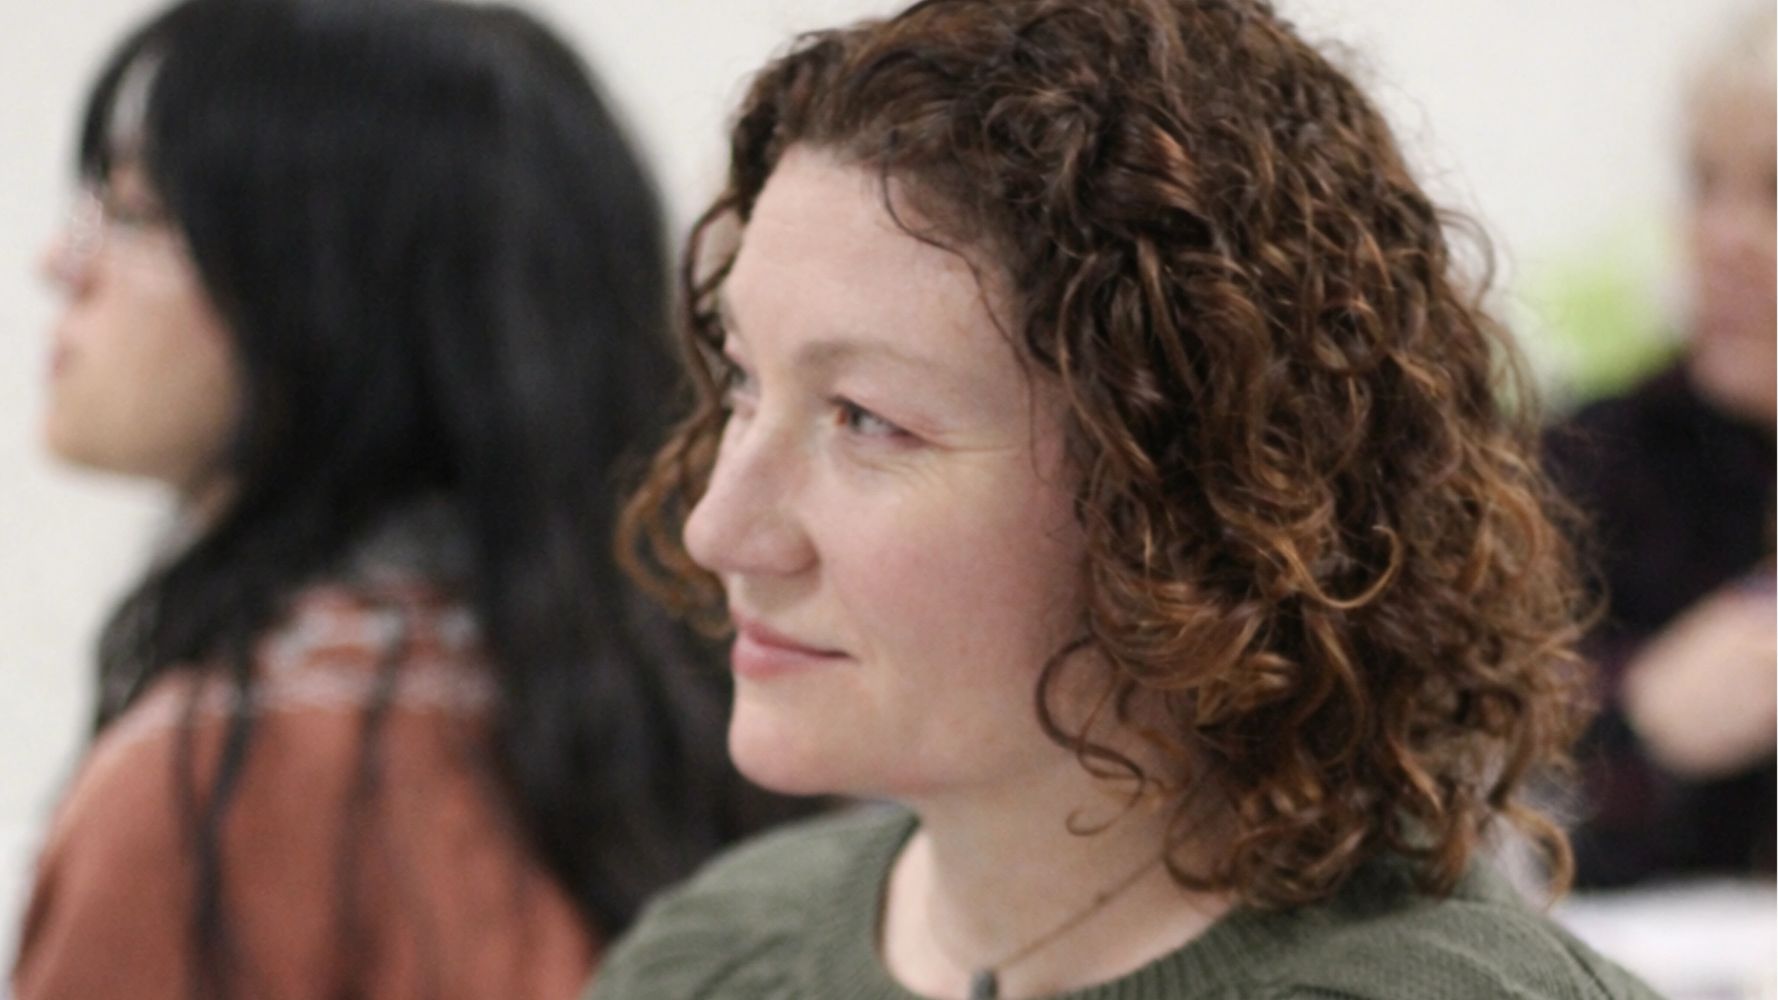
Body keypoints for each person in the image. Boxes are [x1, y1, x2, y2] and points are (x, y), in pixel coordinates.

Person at [593, 0, 1664, 997]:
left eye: (867, 419)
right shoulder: (712, 956)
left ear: (1189, 497)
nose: (720, 527)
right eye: (742, 380)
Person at [13, 0, 808, 997]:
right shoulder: (712, 715)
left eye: (135, 213)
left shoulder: (215, 784)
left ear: (324, 287)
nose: (61, 264)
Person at [1548, 5, 1776, 888]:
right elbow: (1474, 818)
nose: (1724, 239)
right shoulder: (1584, 468)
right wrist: (1644, 725)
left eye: (1776, 193)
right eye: (1704, 184)